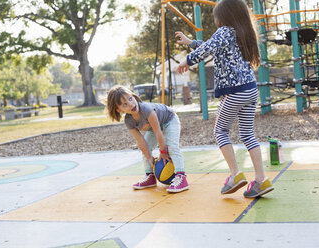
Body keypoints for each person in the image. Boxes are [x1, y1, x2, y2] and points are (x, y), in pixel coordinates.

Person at [175, 0, 273, 198]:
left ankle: (235, 174)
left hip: (234, 92)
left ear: (225, 16)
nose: (216, 20)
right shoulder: (243, 33)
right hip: (250, 91)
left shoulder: (224, 31)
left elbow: (208, 49)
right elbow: (213, 47)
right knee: (247, 134)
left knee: (220, 131)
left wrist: (187, 59)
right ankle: (261, 180)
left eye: (217, 17)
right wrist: (190, 43)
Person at [105, 85, 189, 193]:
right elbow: (140, 141)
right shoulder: (129, 121)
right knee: (146, 149)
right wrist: (149, 157)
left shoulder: (146, 109)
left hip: (169, 120)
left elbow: (158, 131)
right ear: (119, 109)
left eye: (130, 99)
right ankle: (150, 176)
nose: (131, 104)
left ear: (133, 96)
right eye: (125, 104)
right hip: (154, 129)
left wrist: (163, 152)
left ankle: (181, 176)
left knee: (172, 147)